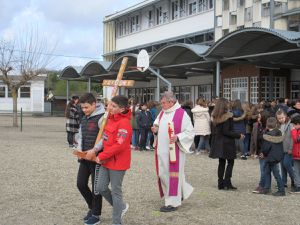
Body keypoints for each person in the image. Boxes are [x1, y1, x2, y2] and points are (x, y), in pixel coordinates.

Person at [151, 91, 194, 212]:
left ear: (171, 102)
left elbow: (190, 132)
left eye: (163, 102)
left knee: (173, 175)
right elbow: (158, 127)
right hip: (162, 150)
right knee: (163, 174)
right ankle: (181, 192)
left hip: (175, 151)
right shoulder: (162, 113)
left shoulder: (182, 114)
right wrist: (155, 130)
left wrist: (178, 137)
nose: (162, 104)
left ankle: (172, 203)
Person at [94, 95, 132, 225]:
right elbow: (104, 137)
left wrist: (102, 156)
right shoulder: (109, 119)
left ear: (122, 109)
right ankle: (120, 207)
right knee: (101, 187)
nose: (110, 107)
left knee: (116, 191)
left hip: (118, 162)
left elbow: (119, 145)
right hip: (107, 161)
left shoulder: (124, 123)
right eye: (110, 104)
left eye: (113, 106)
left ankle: (116, 221)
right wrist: (97, 150)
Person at [76, 93, 105, 225]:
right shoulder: (84, 118)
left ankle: (96, 214)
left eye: (86, 107)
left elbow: (105, 139)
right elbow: (81, 135)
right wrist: (79, 149)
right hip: (84, 157)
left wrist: (95, 150)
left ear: (94, 104)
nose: (84, 110)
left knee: (96, 188)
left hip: (96, 158)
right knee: (80, 184)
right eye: (82, 108)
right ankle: (91, 207)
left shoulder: (102, 118)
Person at [209, 98, 244, 190]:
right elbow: (227, 131)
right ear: (225, 105)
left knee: (221, 162)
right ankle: (227, 182)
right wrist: (238, 135)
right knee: (230, 162)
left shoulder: (214, 116)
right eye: (227, 103)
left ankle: (220, 183)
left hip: (218, 141)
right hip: (227, 142)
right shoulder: (228, 116)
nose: (229, 104)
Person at [261, 117, 285, 196]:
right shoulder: (279, 133)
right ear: (276, 124)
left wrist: (263, 153)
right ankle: (267, 188)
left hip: (270, 157)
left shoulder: (267, 136)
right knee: (269, 172)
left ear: (267, 125)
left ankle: (281, 190)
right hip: (277, 156)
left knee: (274, 174)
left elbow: (266, 148)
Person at [276, 109, 295, 189]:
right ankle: (284, 182)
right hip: (281, 149)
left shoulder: (291, 124)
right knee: (282, 166)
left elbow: (292, 138)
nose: (281, 119)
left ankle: (294, 179)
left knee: (286, 164)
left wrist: (291, 148)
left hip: (289, 149)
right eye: (279, 118)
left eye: (282, 118)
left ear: (286, 116)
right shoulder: (279, 125)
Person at [290, 115, 300, 193]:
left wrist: (293, 131)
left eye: (294, 125)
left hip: (298, 154)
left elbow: (296, 139)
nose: (293, 126)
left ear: (298, 124)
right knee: (296, 171)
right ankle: (297, 185)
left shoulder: (295, 131)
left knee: (297, 170)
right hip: (296, 155)